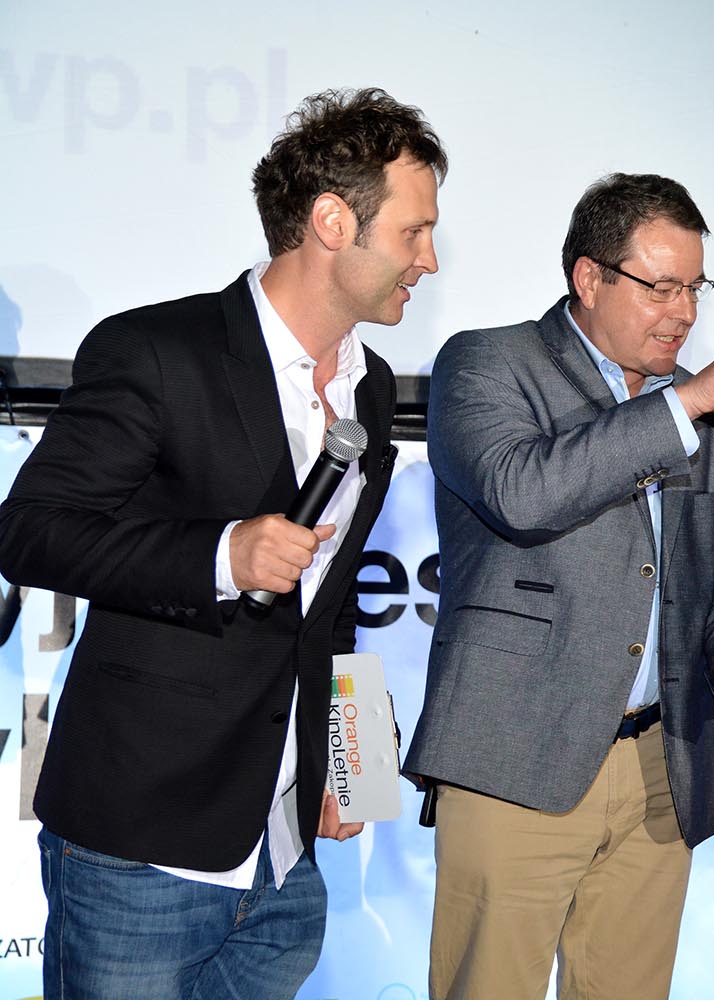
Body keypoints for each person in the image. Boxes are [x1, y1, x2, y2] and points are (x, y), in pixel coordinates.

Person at [0, 87, 446, 998]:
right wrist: (220, 556)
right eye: (414, 232)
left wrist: (352, 768)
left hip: (285, 857)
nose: (429, 260)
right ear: (333, 222)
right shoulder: (159, 350)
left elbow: (332, 607)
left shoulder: (367, 387)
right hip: (140, 852)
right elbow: (31, 531)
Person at [403, 172, 714, 1000]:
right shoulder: (487, 362)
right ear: (589, 278)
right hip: (515, 757)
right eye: (662, 287)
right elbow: (524, 495)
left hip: (664, 764)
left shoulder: (708, 412)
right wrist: (682, 406)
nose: (684, 312)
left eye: (695, 288)